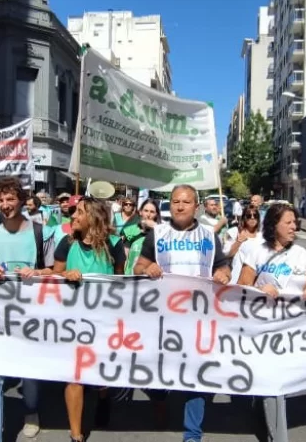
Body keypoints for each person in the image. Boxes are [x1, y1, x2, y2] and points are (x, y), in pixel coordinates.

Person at [133, 184, 231, 442]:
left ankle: (192, 433)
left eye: (185, 202)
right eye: (175, 201)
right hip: (163, 317)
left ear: (196, 206)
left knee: (195, 376)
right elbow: (137, 267)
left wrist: (223, 274)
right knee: (156, 372)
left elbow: (223, 267)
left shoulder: (209, 235)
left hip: (199, 317)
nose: (179, 206)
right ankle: (159, 397)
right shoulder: (158, 234)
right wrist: (148, 269)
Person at [0, 177, 55, 441]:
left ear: (21, 200)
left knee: (28, 374)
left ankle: (31, 411)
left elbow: (55, 270)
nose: (5, 205)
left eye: (10, 199)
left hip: (31, 314)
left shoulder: (40, 231)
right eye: (0, 200)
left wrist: (39, 271)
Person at [237, 203, 306, 442]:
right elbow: (242, 287)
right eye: (289, 222)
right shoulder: (257, 251)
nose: (294, 227)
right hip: (264, 327)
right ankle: (278, 436)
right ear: (274, 225)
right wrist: (261, 290)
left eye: (295, 223)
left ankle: (259, 409)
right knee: (275, 386)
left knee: (277, 383)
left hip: (292, 328)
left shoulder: (301, 254)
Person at [53, 196, 126, 442]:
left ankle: (103, 398)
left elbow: (121, 283)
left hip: (103, 320)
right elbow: (54, 275)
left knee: (99, 372)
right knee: (74, 376)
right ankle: (76, 435)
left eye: (79, 213)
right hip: (72, 319)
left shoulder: (115, 245)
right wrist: (65, 275)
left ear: (93, 218)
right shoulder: (66, 243)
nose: (73, 216)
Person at [121, 199, 160, 274]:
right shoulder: (131, 231)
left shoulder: (160, 233)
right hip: (131, 277)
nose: (148, 214)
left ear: (156, 214)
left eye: (152, 212)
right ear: (140, 212)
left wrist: (156, 228)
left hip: (151, 279)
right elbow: (124, 259)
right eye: (146, 211)